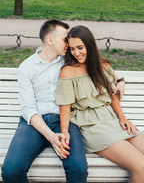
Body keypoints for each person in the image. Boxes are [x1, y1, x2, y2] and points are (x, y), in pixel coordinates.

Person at [56, 25, 144, 183]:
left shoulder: (103, 65)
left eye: (80, 47)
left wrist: (122, 118)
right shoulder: (68, 71)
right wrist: (65, 131)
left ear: (89, 45)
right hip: (90, 125)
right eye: (72, 49)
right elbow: (65, 106)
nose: (76, 53)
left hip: (111, 119)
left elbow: (112, 97)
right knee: (142, 166)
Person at [1, 19, 88, 183]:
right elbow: (28, 109)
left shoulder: (68, 61)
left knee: (78, 169)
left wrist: (120, 80)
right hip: (34, 123)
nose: (68, 44)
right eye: (65, 40)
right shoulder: (26, 67)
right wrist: (51, 137)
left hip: (64, 120)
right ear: (50, 40)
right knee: (11, 170)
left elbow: (97, 64)